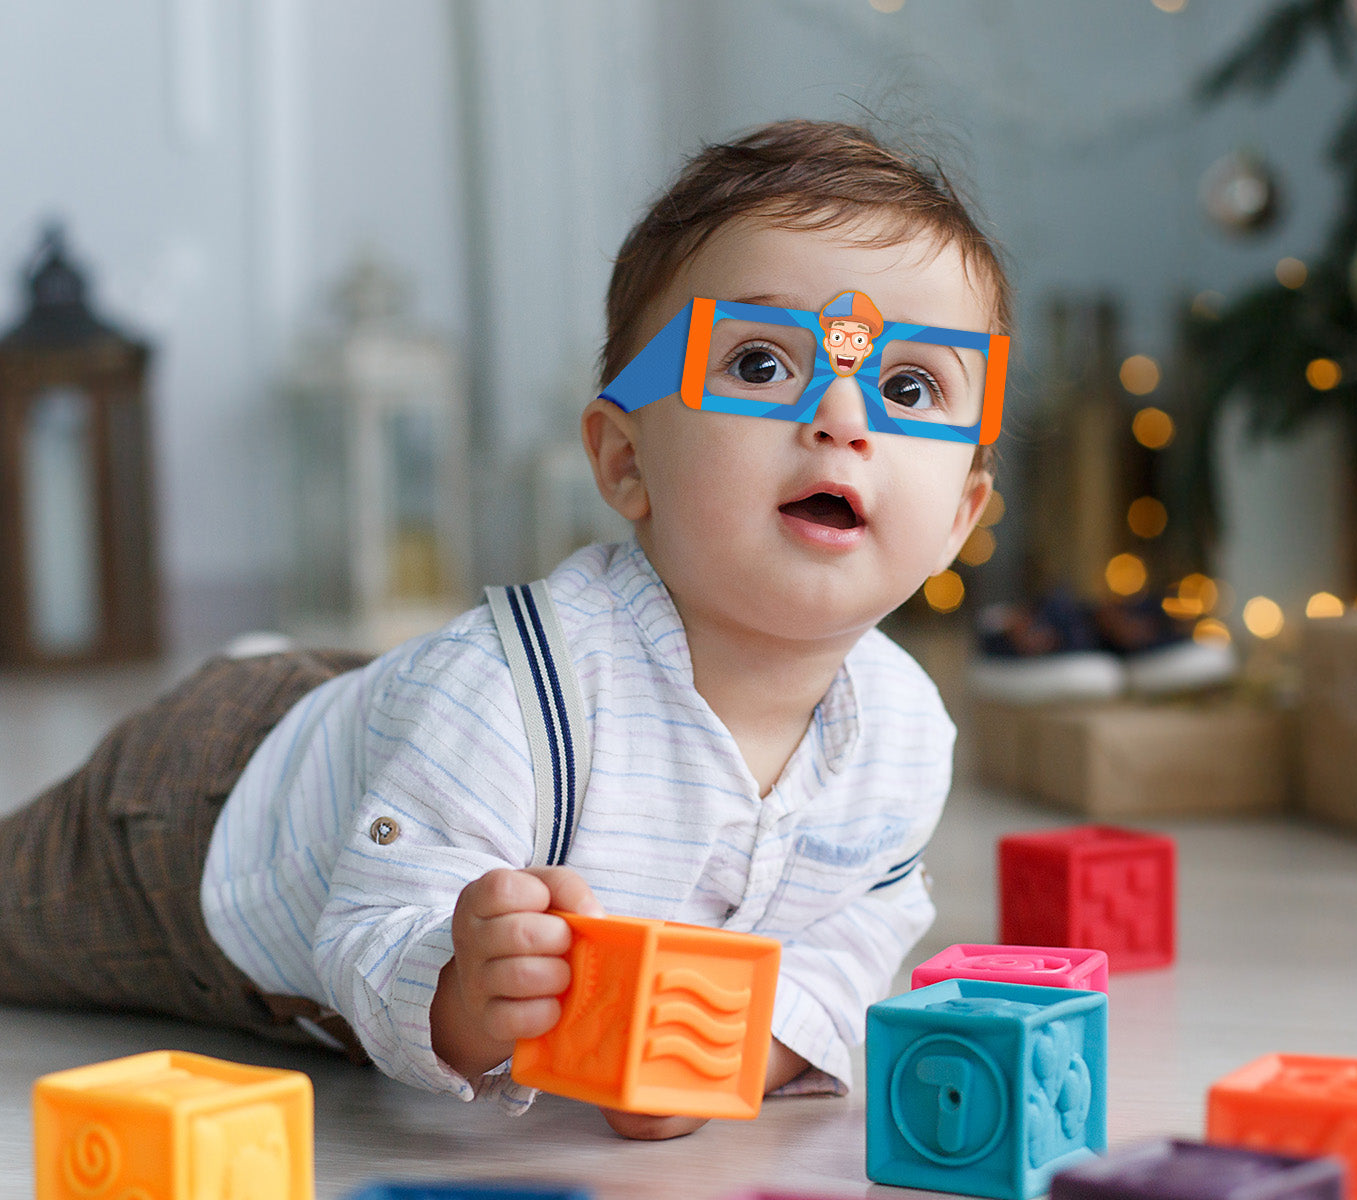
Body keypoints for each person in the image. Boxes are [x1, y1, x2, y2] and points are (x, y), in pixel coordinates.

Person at [0, 119, 1010, 1141]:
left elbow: (855, 927)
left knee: (422, 736)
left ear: (962, 517)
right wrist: (457, 991)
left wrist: (738, 1050)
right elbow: (367, 922)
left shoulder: (904, 735)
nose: (844, 413)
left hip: (406, 738)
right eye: (758, 364)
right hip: (201, 824)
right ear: (625, 462)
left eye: (909, 386)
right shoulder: (515, 696)